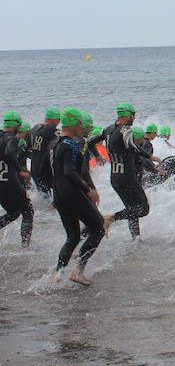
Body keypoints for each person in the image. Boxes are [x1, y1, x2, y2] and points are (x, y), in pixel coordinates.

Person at [51, 108, 104, 286]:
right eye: (80, 123)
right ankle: (78, 270)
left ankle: (58, 274)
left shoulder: (55, 143)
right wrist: (89, 190)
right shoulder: (72, 145)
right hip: (72, 194)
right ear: (73, 123)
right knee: (98, 228)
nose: (82, 126)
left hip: (58, 196)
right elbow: (71, 172)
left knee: (73, 236)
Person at [101, 102, 159, 240]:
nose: (134, 117)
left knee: (131, 210)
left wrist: (97, 156)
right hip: (127, 178)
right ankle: (110, 218)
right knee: (143, 209)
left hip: (114, 178)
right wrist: (149, 156)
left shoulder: (108, 130)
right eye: (133, 114)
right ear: (127, 115)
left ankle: (135, 238)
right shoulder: (125, 129)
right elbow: (131, 145)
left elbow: (91, 142)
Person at [0, 111, 34, 248]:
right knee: (28, 211)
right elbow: (9, 153)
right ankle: (25, 245)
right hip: (10, 183)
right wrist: (20, 170)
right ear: (17, 125)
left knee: (13, 213)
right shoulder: (13, 139)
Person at [28, 107, 61, 196]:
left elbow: (27, 147)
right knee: (57, 196)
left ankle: (41, 210)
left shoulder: (34, 129)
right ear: (54, 119)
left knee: (44, 197)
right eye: (59, 119)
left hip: (34, 169)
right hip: (45, 170)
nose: (59, 122)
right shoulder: (53, 131)